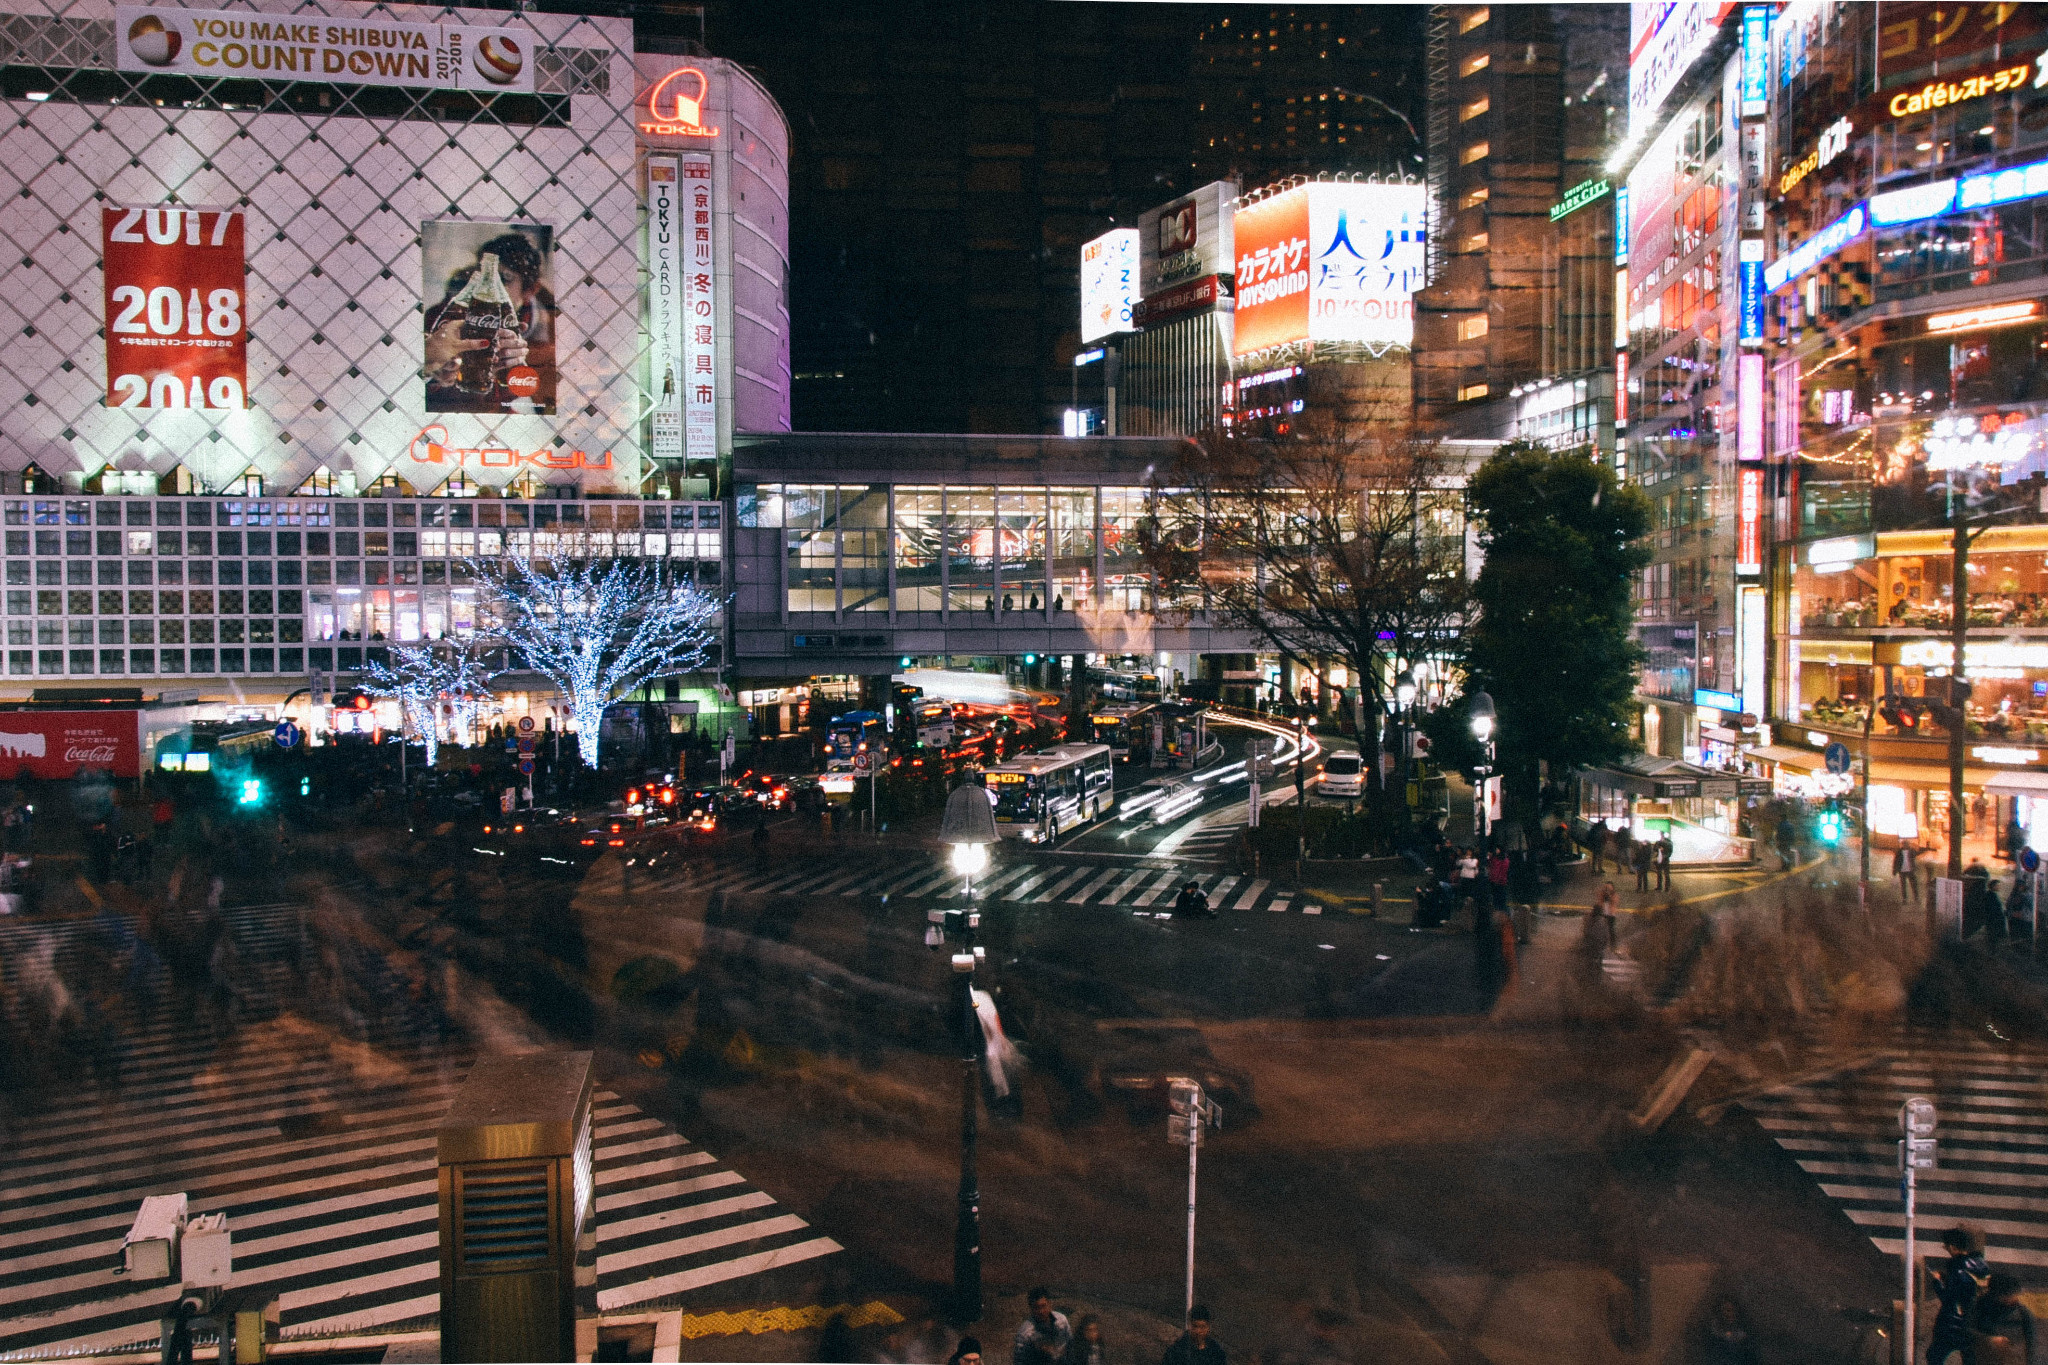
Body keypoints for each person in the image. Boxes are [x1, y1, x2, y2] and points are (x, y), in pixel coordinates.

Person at [1926, 1225, 1990, 1365]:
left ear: (1954, 1247)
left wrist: (1937, 1282)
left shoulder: (1958, 1271)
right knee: (1969, 1357)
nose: (1947, 1250)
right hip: (1975, 1321)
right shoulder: (1981, 1265)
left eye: (1947, 1247)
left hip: (1954, 1323)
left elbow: (1948, 1299)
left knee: (1934, 1356)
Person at [1971, 1272, 2037, 1365]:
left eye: (2013, 1294)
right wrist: (1988, 1339)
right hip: (1986, 1357)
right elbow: (1967, 1331)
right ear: (1995, 1294)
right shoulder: (1980, 1307)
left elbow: (2031, 1342)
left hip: (2012, 1357)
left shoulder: (2022, 1312)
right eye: (2007, 1296)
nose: (2012, 1299)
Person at [1014, 1288, 1071, 1365]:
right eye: (1036, 1307)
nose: (1041, 1311)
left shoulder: (1062, 1320)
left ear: (1049, 1303)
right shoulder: (1025, 1333)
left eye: (1043, 1306)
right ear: (1031, 1308)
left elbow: (1070, 1342)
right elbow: (1019, 1361)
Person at [1697, 1296, 1760, 1365]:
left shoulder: (1745, 1335)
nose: (1728, 1314)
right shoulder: (1713, 1334)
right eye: (1725, 1310)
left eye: (1731, 1310)